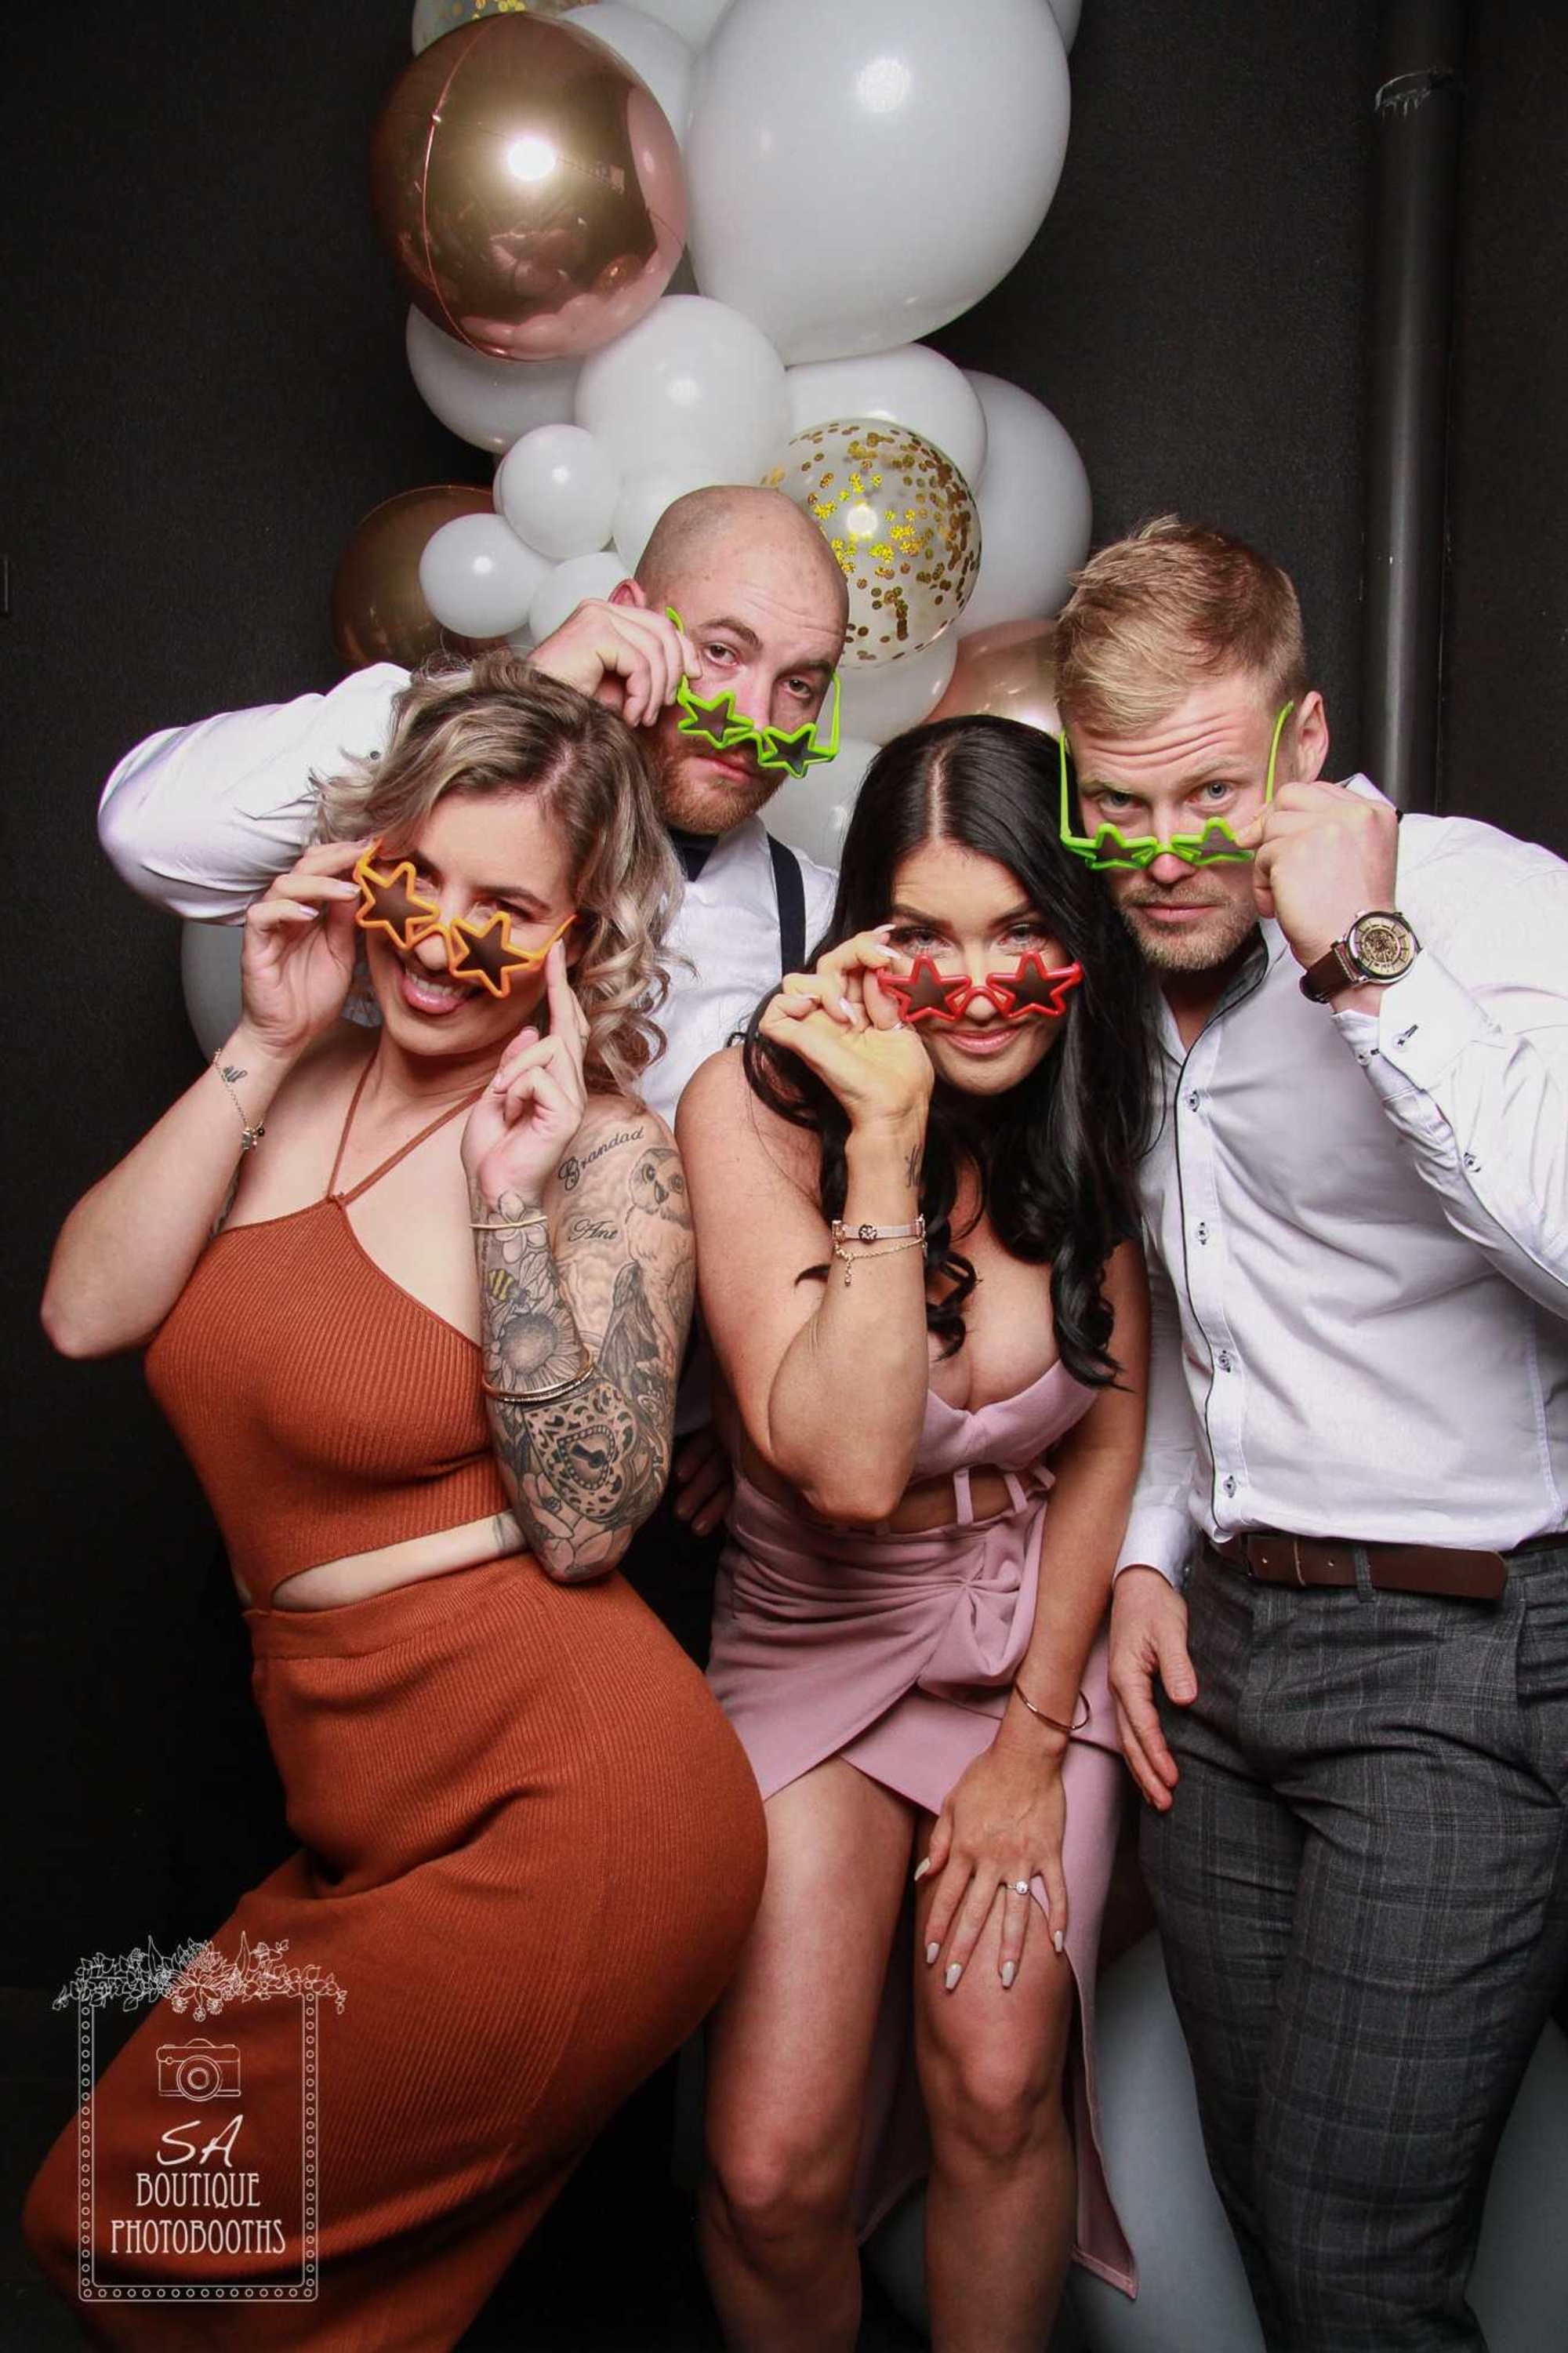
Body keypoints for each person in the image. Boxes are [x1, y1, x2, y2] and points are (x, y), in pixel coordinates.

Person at [23, 655, 767, 2343]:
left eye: (505, 903)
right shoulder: (287, 1081)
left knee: (161, 2232)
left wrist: (506, 1207)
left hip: (569, 1810)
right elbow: (83, 1307)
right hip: (366, 1805)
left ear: (580, 937)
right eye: (411, 876)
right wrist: (265, 1039)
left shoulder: (603, 1155)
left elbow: (588, 1524)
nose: (439, 935)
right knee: (174, 2243)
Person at [1057, 518, 1568, 2351]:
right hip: (1227, 1668)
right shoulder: (1119, 983)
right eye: (1115, 806)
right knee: (1277, 2217)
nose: (1163, 852)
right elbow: (1208, 1323)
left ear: (1306, 739)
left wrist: (1365, 954)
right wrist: (1140, 1555)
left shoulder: (1483, 904)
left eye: (1207, 793)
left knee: (1359, 2262)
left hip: (1460, 1650)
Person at [96, 482, 851, 1644]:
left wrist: (740, 1405)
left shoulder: (824, 915)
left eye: (801, 683)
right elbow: (150, 834)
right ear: (635, 619)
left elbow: (833, 1209)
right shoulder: (442, 819)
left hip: (598, 1509)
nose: (758, 717)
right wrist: (523, 695)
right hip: (339, 1436)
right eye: (721, 653)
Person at [677, 716, 1156, 2352]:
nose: (976, 981)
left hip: (1021, 1639)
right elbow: (850, 1465)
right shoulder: (748, 1113)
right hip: (815, 1625)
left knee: (1001, 2077)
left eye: (1021, 929)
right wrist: (882, 1138)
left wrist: (1034, 1739)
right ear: (860, 945)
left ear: (1074, 938)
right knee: (765, 2170)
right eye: (925, 934)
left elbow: (1105, 1435)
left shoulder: (1095, 1093)